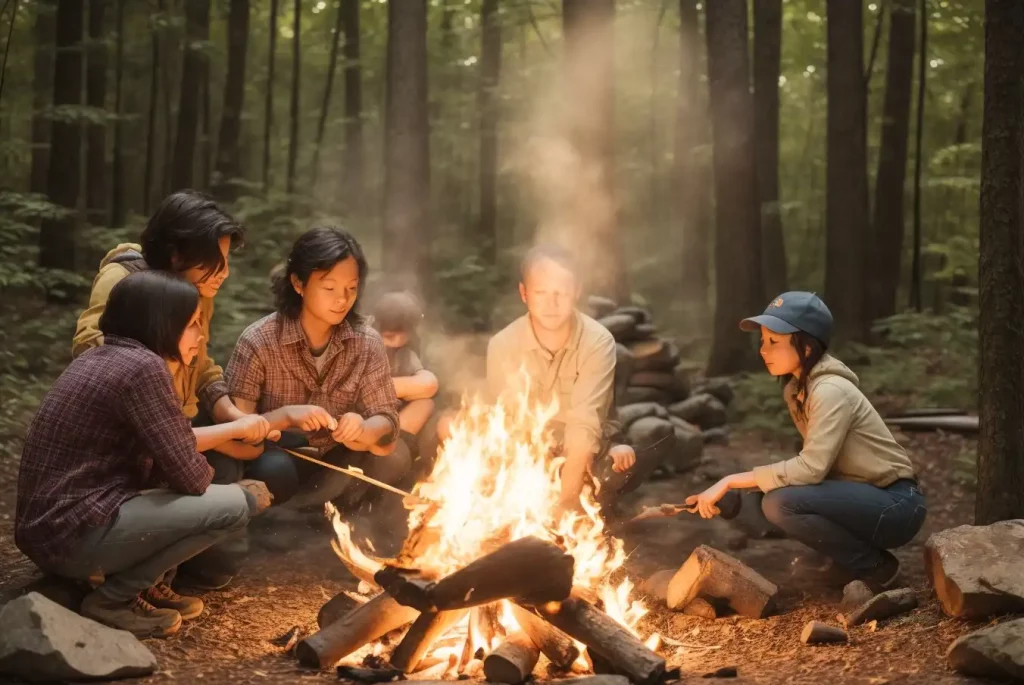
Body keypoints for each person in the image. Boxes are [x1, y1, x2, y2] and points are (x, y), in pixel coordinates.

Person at [16, 272, 273, 639]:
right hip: (72, 534)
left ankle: (140, 584)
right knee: (236, 505)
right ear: (162, 325)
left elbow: (169, 444)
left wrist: (233, 431)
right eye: (192, 325)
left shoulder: (106, 356)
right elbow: (191, 476)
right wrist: (243, 484)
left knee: (216, 495)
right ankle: (115, 598)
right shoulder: (144, 368)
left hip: (52, 529)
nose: (200, 336)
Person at [684, 292, 926, 591]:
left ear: (808, 345)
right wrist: (734, 497)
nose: (763, 350)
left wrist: (731, 480)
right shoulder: (799, 390)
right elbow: (812, 472)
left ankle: (876, 567)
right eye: (762, 341)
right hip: (867, 496)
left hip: (897, 506)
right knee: (779, 498)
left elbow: (811, 469)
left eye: (774, 341)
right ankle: (847, 562)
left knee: (781, 503)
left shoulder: (829, 391)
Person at [223, 226, 408, 513]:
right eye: (329, 287)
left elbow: (387, 418)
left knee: (395, 457)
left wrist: (363, 428)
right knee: (275, 472)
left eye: (351, 288)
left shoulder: (367, 341)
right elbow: (237, 427)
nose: (342, 299)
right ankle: (287, 520)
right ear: (298, 283)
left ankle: (342, 519)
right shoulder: (259, 340)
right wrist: (283, 418)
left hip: (339, 457)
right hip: (281, 455)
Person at [484, 245, 672, 513]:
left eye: (561, 292)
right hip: (530, 446)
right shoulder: (503, 344)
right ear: (524, 294)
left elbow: (584, 424)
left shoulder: (598, 341)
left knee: (625, 461)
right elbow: (508, 421)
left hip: (584, 447)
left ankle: (593, 515)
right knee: (449, 430)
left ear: (577, 292)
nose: (552, 303)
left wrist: (566, 503)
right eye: (541, 292)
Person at [72, 190, 255, 459]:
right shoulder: (124, 281)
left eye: (227, 261)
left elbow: (199, 363)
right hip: (129, 435)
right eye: (216, 261)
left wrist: (232, 416)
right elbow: (90, 350)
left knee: (247, 461)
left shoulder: (197, 290)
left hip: (179, 419)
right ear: (176, 255)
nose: (224, 272)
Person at [370, 291, 440, 479]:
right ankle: (388, 445)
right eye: (389, 337)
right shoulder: (361, 344)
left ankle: (397, 443)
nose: (396, 342)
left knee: (427, 403)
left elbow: (428, 385)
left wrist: (409, 386)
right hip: (366, 418)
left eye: (404, 335)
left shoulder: (405, 354)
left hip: (397, 420)